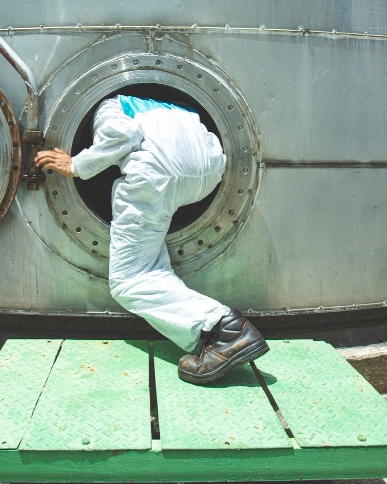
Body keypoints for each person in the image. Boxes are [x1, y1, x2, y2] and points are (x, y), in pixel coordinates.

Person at [35, 94, 268, 384]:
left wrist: (77, 165)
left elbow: (122, 135)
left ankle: (227, 328)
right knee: (152, 269)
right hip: (208, 175)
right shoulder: (177, 108)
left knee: (129, 280)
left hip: (157, 172)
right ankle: (206, 341)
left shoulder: (111, 105)